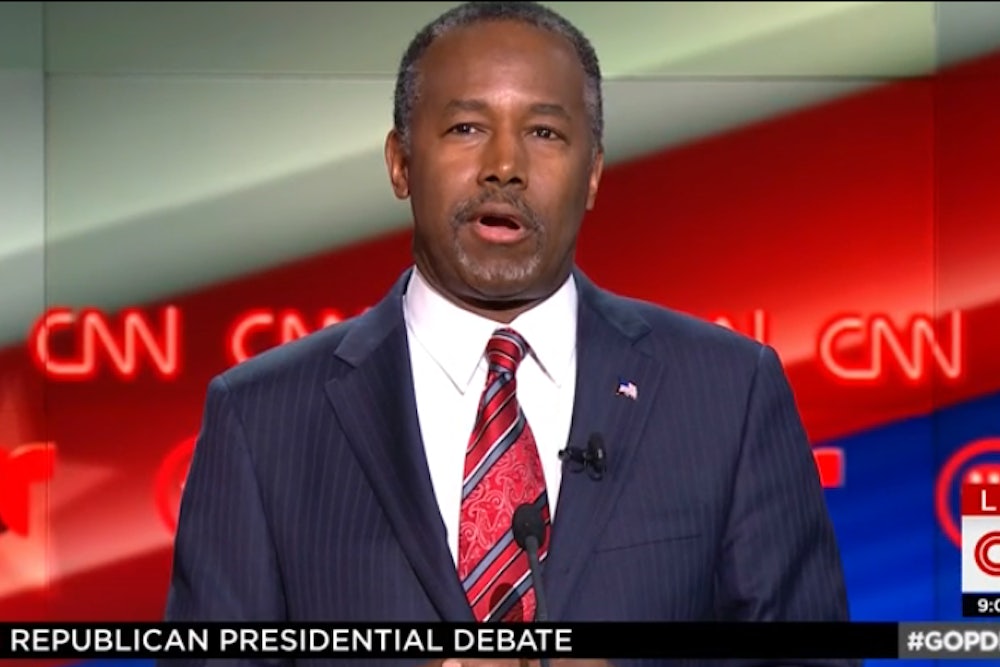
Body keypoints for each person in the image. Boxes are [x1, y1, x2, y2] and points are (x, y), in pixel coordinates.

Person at [163, 2, 853, 666]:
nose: (504, 165)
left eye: (544, 133)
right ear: (400, 162)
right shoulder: (262, 420)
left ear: (593, 173)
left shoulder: (727, 394)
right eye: (466, 127)